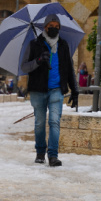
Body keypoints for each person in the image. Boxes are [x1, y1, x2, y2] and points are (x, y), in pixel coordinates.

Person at [20, 14, 78, 166]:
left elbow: (69, 69)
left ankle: (53, 155)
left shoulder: (63, 45)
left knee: (54, 121)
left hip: (56, 90)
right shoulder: (34, 44)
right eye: (51, 26)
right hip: (37, 90)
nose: (54, 29)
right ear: (45, 27)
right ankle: (40, 152)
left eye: (57, 27)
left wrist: (75, 90)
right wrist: (38, 60)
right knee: (39, 123)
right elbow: (24, 66)